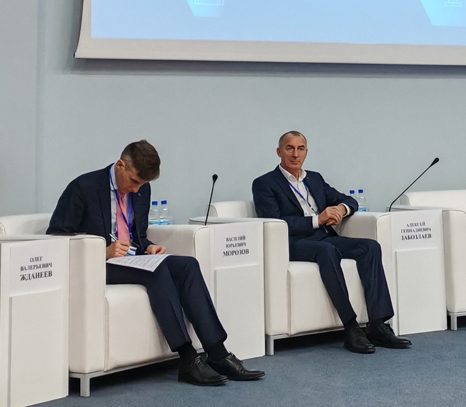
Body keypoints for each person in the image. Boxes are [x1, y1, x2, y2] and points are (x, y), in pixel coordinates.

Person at [47, 141, 263, 386]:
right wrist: (102, 251)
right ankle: (187, 358)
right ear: (120, 165)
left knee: (188, 266)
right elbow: (57, 236)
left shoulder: (142, 189)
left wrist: (148, 246)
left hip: (134, 258)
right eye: (134, 181)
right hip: (98, 264)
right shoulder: (83, 187)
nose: (136, 188)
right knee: (156, 271)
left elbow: (136, 234)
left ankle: (217, 352)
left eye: (142, 184)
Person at [251, 131, 412, 353]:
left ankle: (378, 324)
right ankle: (351, 327)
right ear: (279, 152)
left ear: (306, 152)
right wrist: (318, 220)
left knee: (370, 247)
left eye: (300, 149)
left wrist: (340, 210)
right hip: (293, 243)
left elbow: (348, 200)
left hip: (324, 237)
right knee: (327, 250)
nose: (295, 154)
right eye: (290, 148)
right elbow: (275, 221)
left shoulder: (314, 179)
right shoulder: (264, 183)